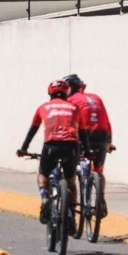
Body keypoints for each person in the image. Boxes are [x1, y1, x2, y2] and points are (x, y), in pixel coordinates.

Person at [16, 79, 90, 230]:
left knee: (43, 174)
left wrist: (23, 148)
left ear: (49, 92)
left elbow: (33, 130)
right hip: (71, 146)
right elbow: (82, 132)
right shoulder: (74, 108)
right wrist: (88, 151)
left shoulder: (43, 107)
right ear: (67, 93)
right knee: (70, 182)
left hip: (51, 146)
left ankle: (44, 199)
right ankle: (71, 217)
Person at [64, 74, 114, 217]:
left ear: (70, 88)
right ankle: (101, 199)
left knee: (70, 169)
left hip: (82, 137)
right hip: (101, 136)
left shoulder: (70, 100)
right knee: (98, 171)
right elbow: (107, 121)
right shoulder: (96, 98)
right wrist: (109, 141)